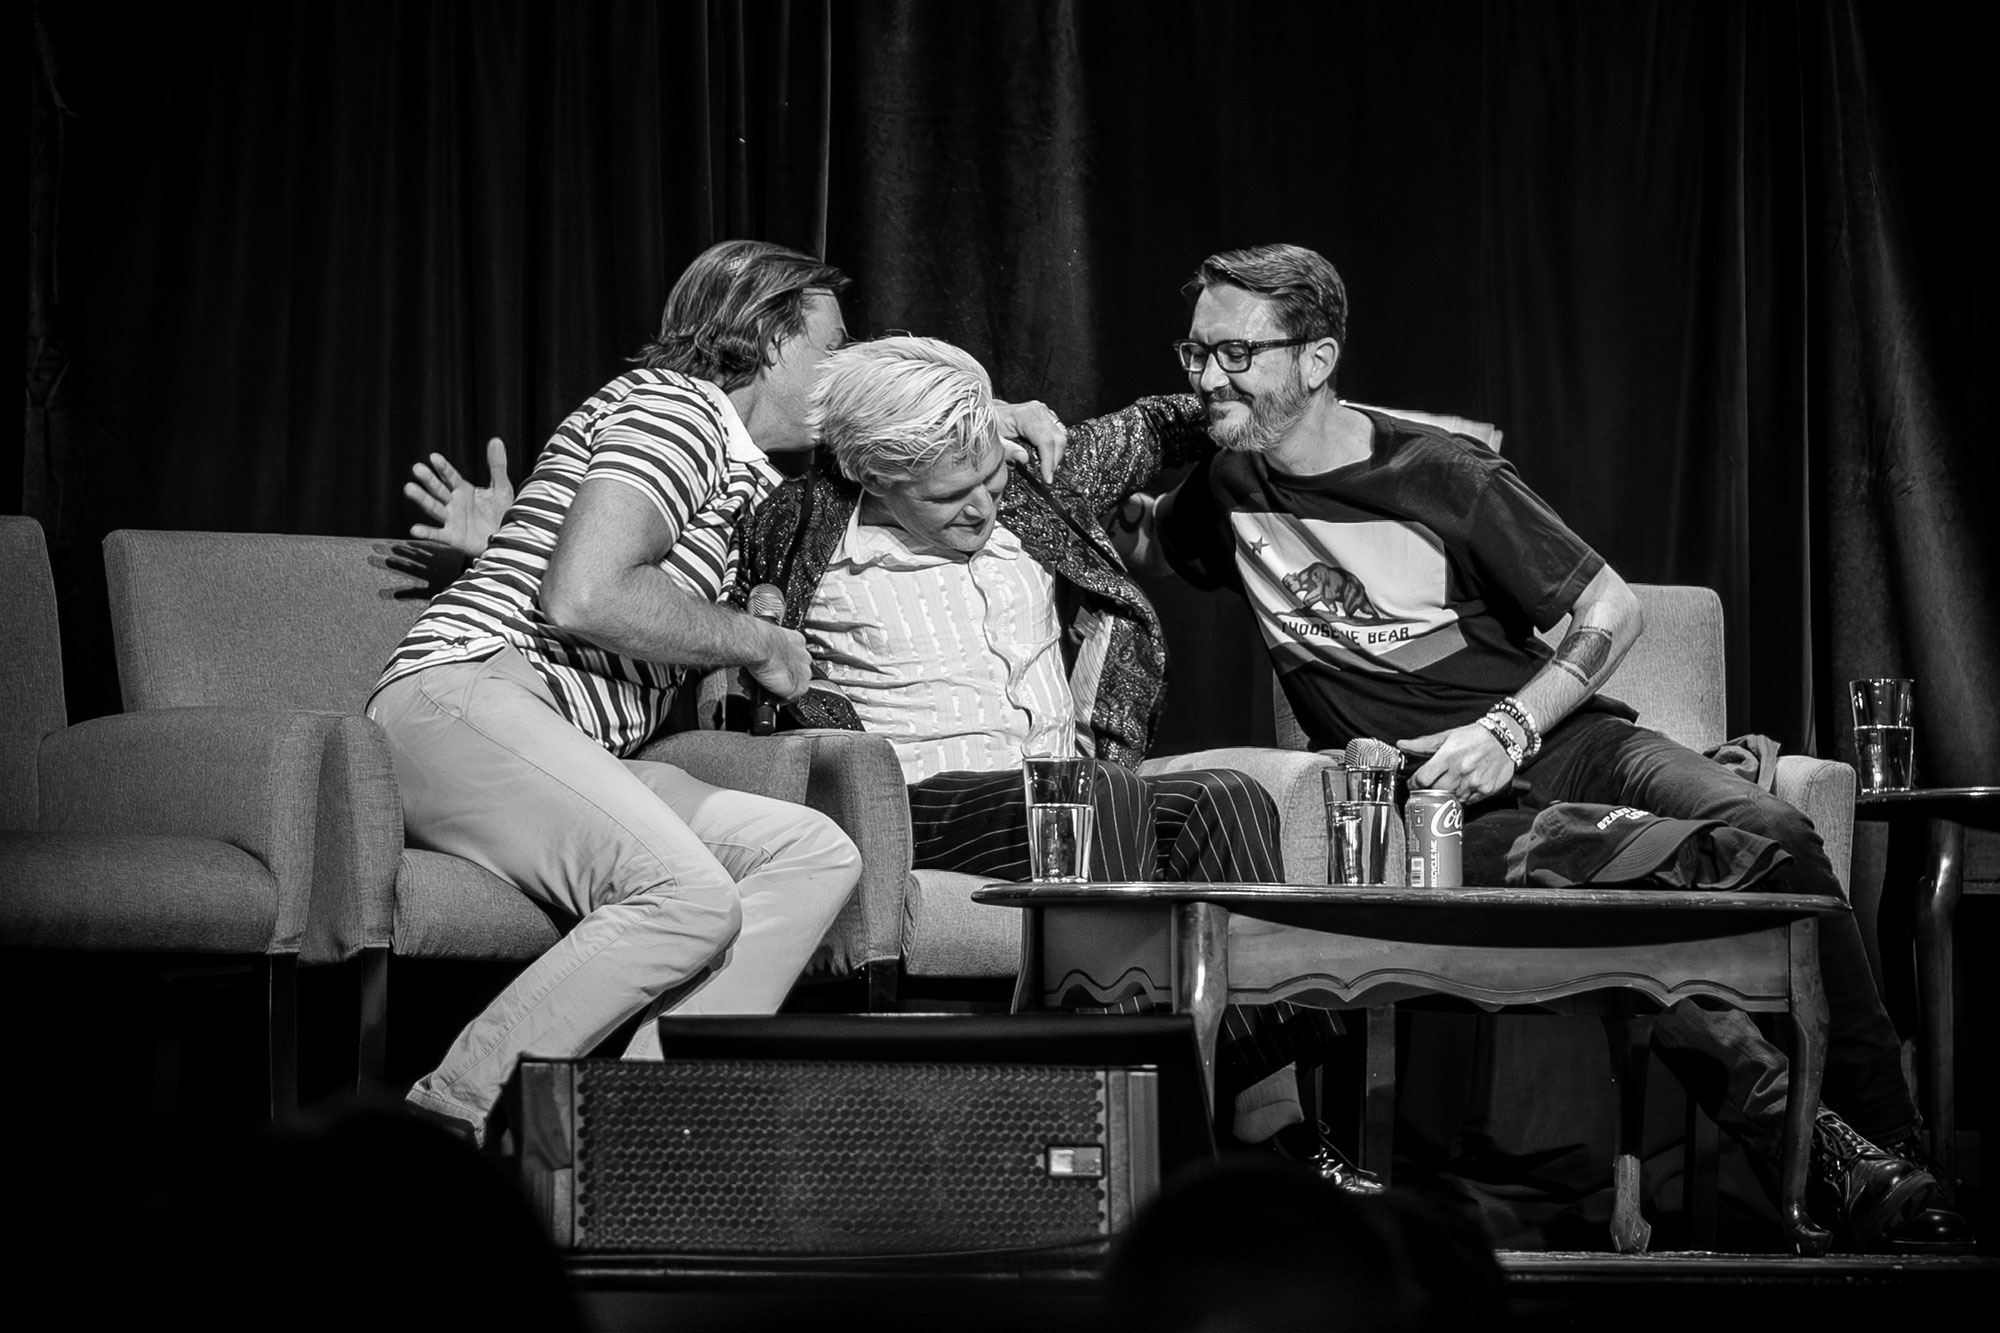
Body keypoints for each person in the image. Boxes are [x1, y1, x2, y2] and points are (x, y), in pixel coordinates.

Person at [1113, 241, 1973, 1252]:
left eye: (1233, 354)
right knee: (1616, 924)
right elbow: (1141, 538)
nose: (1206, 378)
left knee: (1771, 828)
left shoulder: (1440, 472)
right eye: (1194, 352)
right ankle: (1838, 1161)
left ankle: (1892, 1145)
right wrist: (1065, 452)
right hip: (1435, 806)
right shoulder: (1225, 488)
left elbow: (1611, 608)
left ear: (1317, 357)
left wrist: (1506, 728)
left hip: (1558, 738)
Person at [409, 335, 1370, 1186]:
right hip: (920, 799)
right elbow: (652, 579)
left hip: (1071, 780)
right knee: (1091, 800)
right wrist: (507, 540)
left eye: (989, 479)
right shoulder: (789, 524)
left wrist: (1324, 415)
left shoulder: (1030, 479)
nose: (984, 504)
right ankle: (1107, 1139)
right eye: (953, 494)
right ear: (874, 471)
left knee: (1229, 799)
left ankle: (1257, 1119)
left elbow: (1165, 425)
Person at [368, 239, 874, 1143]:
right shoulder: (677, 409)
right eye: (833, 346)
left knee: (815, 851)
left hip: (576, 744)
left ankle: (637, 1141)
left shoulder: (742, 474)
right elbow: (586, 594)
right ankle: (445, 1124)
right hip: (468, 696)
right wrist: (759, 639)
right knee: (689, 894)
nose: (847, 370)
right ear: (767, 339)